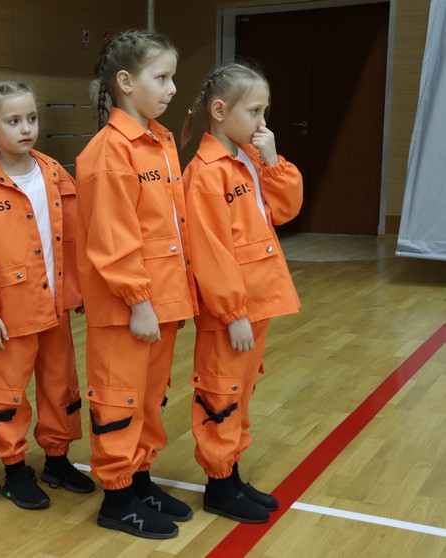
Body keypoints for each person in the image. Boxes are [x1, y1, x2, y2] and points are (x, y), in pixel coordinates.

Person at [75, 29, 197, 539]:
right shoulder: (109, 151)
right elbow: (113, 239)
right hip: (129, 305)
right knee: (119, 398)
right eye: (161, 77)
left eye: (173, 77)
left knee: (149, 397)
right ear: (125, 82)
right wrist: (138, 300)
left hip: (162, 297)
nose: (172, 88)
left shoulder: (161, 142)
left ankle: (141, 477)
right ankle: (117, 496)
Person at [0, 80, 95, 510]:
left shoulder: (54, 172)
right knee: (9, 393)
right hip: (11, 314)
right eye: (13, 120)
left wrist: (81, 288)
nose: (25, 128)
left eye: (31, 118)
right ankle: (15, 468)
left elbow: (77, 234)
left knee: (60, 386)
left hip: (55, 306)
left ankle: (57, 459)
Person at [181, 62, 302, 523]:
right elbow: (209, 252)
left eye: (264, 111)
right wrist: (232, 313)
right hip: (230, 311)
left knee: (241, 390)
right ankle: (218, 483)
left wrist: (273, 162)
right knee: (221, 391)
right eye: (254, 111)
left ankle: (230, 473)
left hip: (256, 302)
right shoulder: (205, 173)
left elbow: (286, 210)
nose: (262, 122)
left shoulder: (249, 159)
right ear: (219, 111)